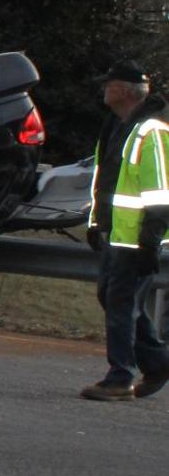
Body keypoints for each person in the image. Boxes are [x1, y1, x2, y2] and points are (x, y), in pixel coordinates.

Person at [81, 59, 169, 401]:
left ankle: (120, 378)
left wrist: (149, 242)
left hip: (135, 239)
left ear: (124, 91)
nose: (104, 89)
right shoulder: (118, 126)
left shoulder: (151, 131)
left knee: (120, 303)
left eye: (109, 83)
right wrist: (96, 223)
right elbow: (106, 183)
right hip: (118, 234)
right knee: (114, 298)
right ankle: (157, 362)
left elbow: (160, 192)